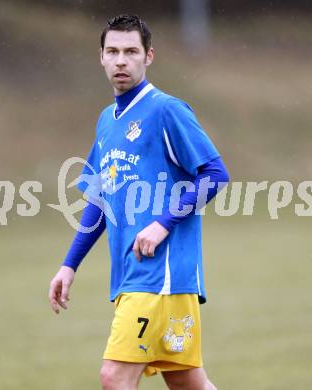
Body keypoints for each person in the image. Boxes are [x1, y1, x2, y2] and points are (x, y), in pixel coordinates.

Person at [49, 14, 229, 390]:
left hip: (158, 276)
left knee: (114, 377)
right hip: (138, 277)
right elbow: (101, 200)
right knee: (187, 381)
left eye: (131, 51)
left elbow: (215, 174)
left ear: (148, 56)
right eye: (112, 51)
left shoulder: (166, 110)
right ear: (100, 57)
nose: (121, 60)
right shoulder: (106, 121)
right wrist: (70, 265)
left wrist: (162, 222)